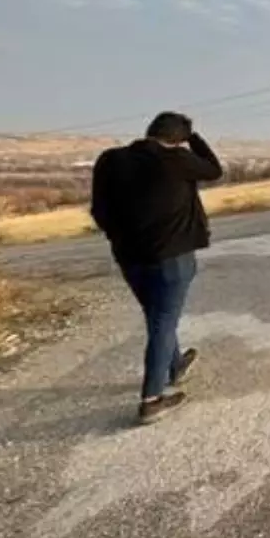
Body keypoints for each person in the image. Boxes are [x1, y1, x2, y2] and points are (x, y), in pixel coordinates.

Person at [91, 112, 223, 425]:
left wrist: (119, 236)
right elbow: (214, 170)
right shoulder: (177, 159)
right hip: (172, 256)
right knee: (163, 320)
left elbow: (99, 210)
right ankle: (152, 399)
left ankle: (175, 365)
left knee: (157, 315)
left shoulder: (109, 160)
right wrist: (194, 138)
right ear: (178, 139)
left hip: (129, 256)